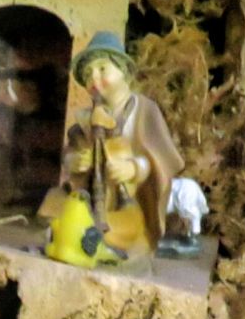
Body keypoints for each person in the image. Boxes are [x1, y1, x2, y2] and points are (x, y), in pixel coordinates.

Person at [54, 32, 183, 259]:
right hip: (95, 199)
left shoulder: (144, 111)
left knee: (123, 231)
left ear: (123, 70)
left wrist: (136, 168)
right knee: (63, 218)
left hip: (134, 201)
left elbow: (164, 157)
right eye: (88, 74)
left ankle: (106, 243)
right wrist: (76, 161)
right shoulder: (87, 119)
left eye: (102, 69)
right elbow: (70, 153)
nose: (94, 78)